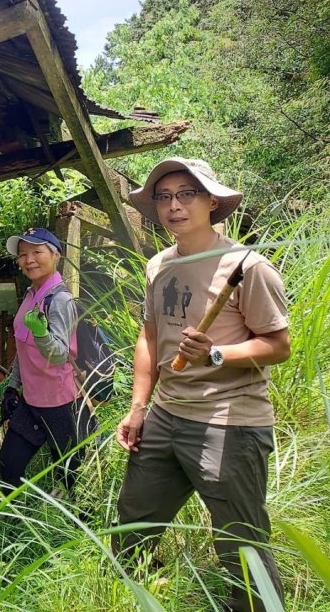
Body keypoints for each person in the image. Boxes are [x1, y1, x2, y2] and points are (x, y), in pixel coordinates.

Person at [114, 157, 290, 612]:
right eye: (164, 196)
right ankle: (133, 597)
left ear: (212, 201)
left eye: (187, 194)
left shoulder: (248, 267)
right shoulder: (159, 266)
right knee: (133, 522)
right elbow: (150, 337)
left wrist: (216, 353)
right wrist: (138, 407)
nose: (175, 205)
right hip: (166, 417)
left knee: (241, 540)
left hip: (229, 421)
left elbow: (277, 345)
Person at [0, 227, 84, 496]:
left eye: (37, 252)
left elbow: (59, 355)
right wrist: (13, 387)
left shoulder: (60, 300)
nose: (29, 259)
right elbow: (23, 347)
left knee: (70, 475)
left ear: (56, 255)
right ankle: (14, 523)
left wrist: (41, 332)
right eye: (22, 255)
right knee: (7, 466)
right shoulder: (30, 296)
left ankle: (76, 528)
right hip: (31, 401)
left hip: (60, 402)